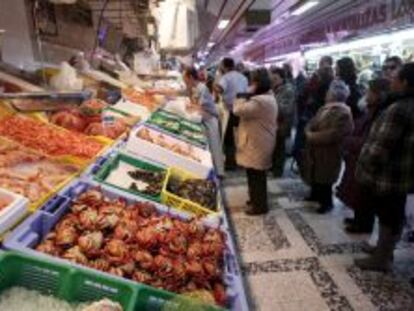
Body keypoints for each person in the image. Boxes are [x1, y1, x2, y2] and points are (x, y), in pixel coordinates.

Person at [354, 63, 414, 272]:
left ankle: (381, 259)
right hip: (402, 172)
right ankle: (383, 250)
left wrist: (366, 163)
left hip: (387, 174)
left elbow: (381, 146)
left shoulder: (399, 108)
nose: (391, 80)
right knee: (392, 214)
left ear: (405, 82)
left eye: (395, 77)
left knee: (388, 216)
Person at [336, 79, 390, 233]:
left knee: (365, 194)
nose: (367, 95)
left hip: (366, 158)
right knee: (358, 193)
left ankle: (364, 224)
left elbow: (367, 140)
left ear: (379, 95)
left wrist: (348, 140)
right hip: (357, 158)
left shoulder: (380, 114)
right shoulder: (371, 110)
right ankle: (359, 219)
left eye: (370, 92)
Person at [301, 80, 354, 214]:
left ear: (334, 95)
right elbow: (312, 122)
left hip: (329, 151)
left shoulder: (343, 112)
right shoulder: (324, 108)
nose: (326, 95)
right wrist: (308, 130)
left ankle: (326, 203)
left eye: (328, 93)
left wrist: (311, 136)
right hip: (316, 149)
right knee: (315, 173)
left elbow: (333, 134)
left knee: (325, 177)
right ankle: (315, 195)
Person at [233, 69, 278, 215]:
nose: (250, 84)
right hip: (258, 141)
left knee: (257, 176)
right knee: (253, 174)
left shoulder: (260, 101)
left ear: (257, 83)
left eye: (252, 82)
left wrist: (243, 94)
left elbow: (238, 110)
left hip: (258, 143)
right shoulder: (266, 98)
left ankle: (260, 206)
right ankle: (255, 200)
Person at [183, 68, 225, 177]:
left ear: (191, 77)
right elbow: (198, 106)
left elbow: (201, 107)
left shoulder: (202, 88)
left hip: (211, 120)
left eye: (186, 79)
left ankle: (219, 173)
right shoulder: (196, 87)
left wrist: (191, 108)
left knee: (215, 147)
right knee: (210, 148)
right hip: (206, 120)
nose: (185, 82)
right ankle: (214, 171)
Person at [293, 56, 334, 163]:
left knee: (305, 141)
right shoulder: (329, 83)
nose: (320, 65)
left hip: (313, 115)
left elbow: (307, 95)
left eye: (322, 63)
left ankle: (305, 162)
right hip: (317, 115)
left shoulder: (319, 82)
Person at [214, 58, 249, 171]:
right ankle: (241, 161)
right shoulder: (243, 77)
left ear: (224, 66)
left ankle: (230, 163)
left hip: (230, 110)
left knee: (229, 138)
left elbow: (219, 89)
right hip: (243, 110)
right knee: (241, 136)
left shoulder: (226, 77)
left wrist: (214, 84)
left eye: (221, 65)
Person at [270, 67, 296, 177]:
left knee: (280, 147)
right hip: (275, 122)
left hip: (282, 123)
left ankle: (278, 171)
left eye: (275, 78)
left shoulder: (288, 90)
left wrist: (271, 104)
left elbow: (286, 109)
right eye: (272, 79)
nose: (273, 81)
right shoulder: (274, 89)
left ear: (282, 78)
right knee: (275, 146)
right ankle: (274, 168)